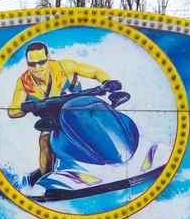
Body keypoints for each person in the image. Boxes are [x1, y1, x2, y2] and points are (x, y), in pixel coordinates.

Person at [7, 41, 116, 186]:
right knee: (44, 140)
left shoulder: (65, 67)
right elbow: (12, 111)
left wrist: (107, 82)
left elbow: (96, 72)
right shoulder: (23, 83)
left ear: (48, 57)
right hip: (51, 118)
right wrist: (26, 107)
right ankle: (45, 180)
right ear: (27, 63)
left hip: (76, 109)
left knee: (99, 123)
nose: (37, 67)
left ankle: (115, 159)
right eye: (32, 64)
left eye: (41, 62)